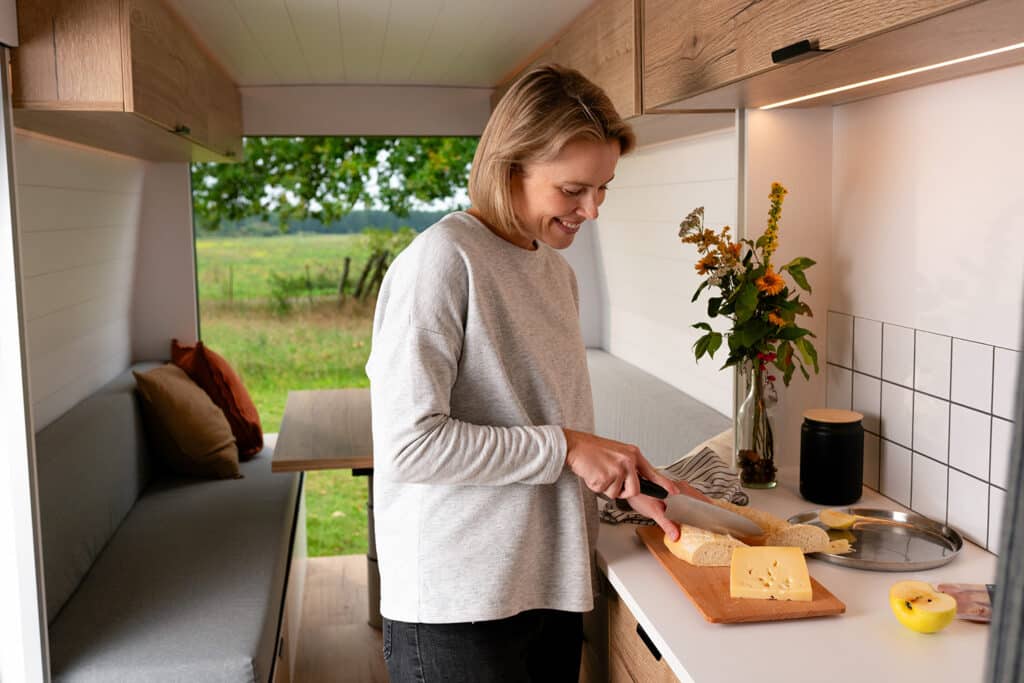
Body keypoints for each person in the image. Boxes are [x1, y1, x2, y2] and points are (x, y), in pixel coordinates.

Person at [365, 64, 689, 682]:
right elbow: (411, 446)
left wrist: (615, 479)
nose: (591, 211)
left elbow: (537, 421)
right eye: (573, 190)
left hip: (550, 584)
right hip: (460, 605)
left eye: (603, 189)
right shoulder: (440, 262)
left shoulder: (553, 271)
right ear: (510, 166)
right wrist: (568, 448)